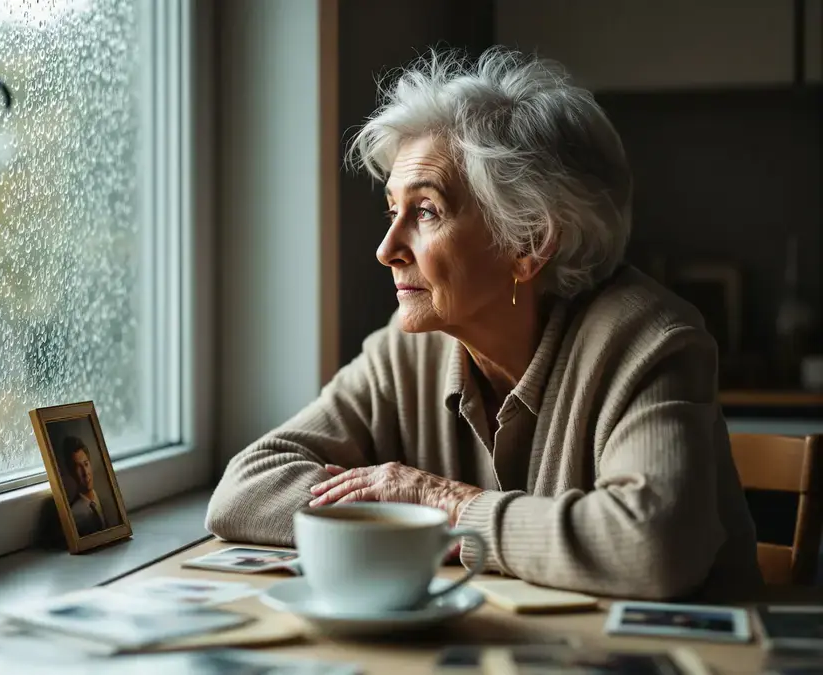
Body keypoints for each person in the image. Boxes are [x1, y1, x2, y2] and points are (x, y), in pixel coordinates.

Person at [205, 48, 762, 601]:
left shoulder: (647, 340)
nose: (386, 249)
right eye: (392, 210)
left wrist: (446, 504)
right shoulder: (406, 352)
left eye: (426, 211)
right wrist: (400, 506)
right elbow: (245, 489)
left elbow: (649, 546)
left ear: (529, 242)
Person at [61, 435, 114, 535]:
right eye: (78, 467)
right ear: (71, 472)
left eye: (86, 464)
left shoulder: (108, 501)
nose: (85, 473)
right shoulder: (74, 514)